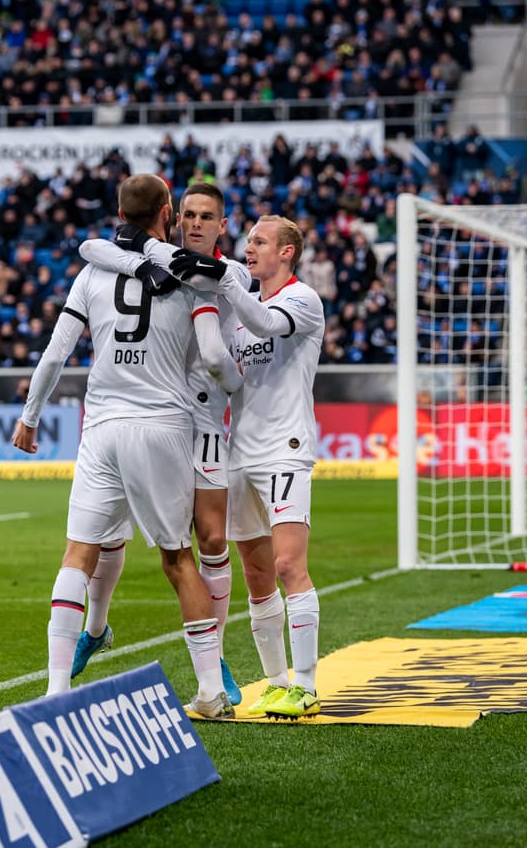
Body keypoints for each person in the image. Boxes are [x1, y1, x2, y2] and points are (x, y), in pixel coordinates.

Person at [12, 173, 238, 718]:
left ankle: (56, 689)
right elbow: (212, 353)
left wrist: (30, 417)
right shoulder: (190, 276)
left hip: (101, 426)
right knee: (178, 558)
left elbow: (55, 354)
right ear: (167, 212)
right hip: (163, 424)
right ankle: (210, 691)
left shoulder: (91, 273)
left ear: (119, 211)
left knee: (78, 554)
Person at [69, 181, 245, 706]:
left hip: (206, 419)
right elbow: (92, 247)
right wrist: (145, 252)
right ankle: (96, 628)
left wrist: (236, 387)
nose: (194, 223)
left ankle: (219, 660)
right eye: (187, 214)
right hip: (155, 416)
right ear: (173, 217)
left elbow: (216, 353)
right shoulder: (163, 262)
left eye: (205, 216)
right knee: (108, 531)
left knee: (209, 540)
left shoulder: (226, 275)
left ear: (221, 225)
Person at [169, 215, 325, 719]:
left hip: (286, 447)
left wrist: (227, 278)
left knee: (287, 566)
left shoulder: (302, 300)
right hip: (241, 451)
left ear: (287, 253)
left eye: (259, 242)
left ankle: (306, 684)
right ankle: (276, 682)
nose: (249, 248)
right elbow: (235, 378)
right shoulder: (243, 308)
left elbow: (266, 325)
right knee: (258, 574)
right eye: (248, 242)